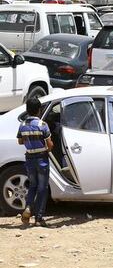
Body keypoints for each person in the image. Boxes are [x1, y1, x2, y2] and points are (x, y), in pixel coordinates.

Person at [17, 97, 52, 227]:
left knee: (32, 186)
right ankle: (39, 218)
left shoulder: (23, 125)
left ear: (27, 110)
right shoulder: (42, 125)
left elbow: (20, 141)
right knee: (42, 188)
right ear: (39, 110)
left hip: (29, 158)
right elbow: (50, 144)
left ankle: (28, 207)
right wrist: (48, 148)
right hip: (42, 158)